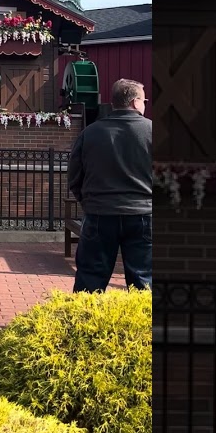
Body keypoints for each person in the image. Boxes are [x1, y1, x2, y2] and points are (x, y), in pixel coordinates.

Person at [67, 78, 152, 292]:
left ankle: (84, 325)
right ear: (134, 102)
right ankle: (144, 325)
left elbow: (74, 176)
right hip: (143, 213)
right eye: (144, 100)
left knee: (90, 280)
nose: (145, 104)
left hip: (99, 213)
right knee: (144, 281)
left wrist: (87, 200)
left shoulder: (90, 132)